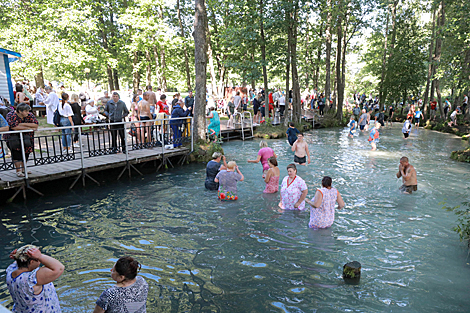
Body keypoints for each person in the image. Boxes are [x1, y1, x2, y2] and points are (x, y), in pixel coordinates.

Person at [6, 245, 64, 312]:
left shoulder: (10, 270)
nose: (40, 262)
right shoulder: (31, 279)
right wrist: (40, 256)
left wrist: (17, 257)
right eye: (38, 260)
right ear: (32, 262)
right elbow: (59, 268)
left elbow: (18, 263)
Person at [5, 103, 39, 177]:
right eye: (26, 111)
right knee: (16, 152)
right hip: (13, 137)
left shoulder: (29, 115)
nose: (28, 113)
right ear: (20, 111)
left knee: (27, 150)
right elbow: (14, 127)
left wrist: (21, 124)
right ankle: (18, 170)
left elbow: (36, 124)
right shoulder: (11, 115)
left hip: (27, 136)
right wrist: (29, 127)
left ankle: (24, 168)